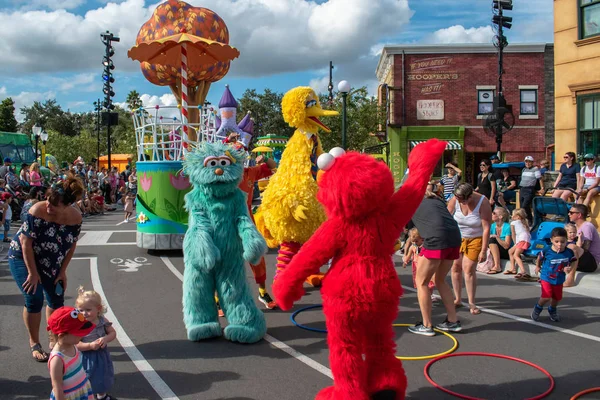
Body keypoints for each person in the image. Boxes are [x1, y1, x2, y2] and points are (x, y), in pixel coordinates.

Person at [7, 176, 84, 362]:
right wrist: (33, 274)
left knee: (56, 299)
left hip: (51, 260)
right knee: (34, 296)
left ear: (67, 205)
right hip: (23, 256)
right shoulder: (37, 210)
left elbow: (71, 245)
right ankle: (35, 343)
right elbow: (26, 243)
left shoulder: (75, 217)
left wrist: (62, 271)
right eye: (48, 200)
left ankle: (54, 339)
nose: (48, 206)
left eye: (54, 205)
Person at [405, 191, 462, 336]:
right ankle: (453, 321)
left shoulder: (412, 204)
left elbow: (406, 227)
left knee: (421, 282)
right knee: (439, 279)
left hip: (436, 239)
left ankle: (427, 325)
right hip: (454, 237)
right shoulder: (437, 202)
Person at [237, 153, 278, 309]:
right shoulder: (223, 172)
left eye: (241, 155)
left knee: (257, 256)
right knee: (223, 260)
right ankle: (217, 298)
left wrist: (264, 158)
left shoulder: (251, 172)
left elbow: (272, 166)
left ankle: (262, 292)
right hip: (226, 222)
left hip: (247, 221)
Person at [448, 183, 492, 315]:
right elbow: (446, 217)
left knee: (468, 270)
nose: (460, 201)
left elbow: (486, 228)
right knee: (455, 267)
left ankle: (472, 303)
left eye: (462, 199)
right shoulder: (455, 199)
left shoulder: (483, 202)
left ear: (470, 196)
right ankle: (458, 299)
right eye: (458, 198)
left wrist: (484, 250)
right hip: (458, 237)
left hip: (475, 238)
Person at [76, 287, 116, 400]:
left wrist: (105, 339)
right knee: (85, 377)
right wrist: (89, 346)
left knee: (103, 375)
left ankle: (102, 395)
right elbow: (75, 344)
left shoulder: (102, 321)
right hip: (85, 356)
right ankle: (87, 395)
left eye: (88, 310)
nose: (84, 313)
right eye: (80, 310)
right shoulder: (79, 325)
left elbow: (112, 333)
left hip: (101, 355)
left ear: (98, 309)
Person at [47, 306, 95, 400]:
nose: (82, 335)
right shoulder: (57, 359)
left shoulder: (73, 345)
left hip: (82, 390)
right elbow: (57, 387)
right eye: (78, 333)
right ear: (62, 336)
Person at [531, 227, 577, 322]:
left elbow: (573, 261)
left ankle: (552, 310)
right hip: (546, 277)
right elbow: (540, 257)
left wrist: (568, 268)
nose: (559, 244)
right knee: (546, 296)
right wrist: (538, 266)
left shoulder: (568, 253)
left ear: (566, 240)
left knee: (556, 298)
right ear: (551, 240)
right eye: (556, 241)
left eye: (562, 242)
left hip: (559, 278)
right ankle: (538, 308)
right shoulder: (547, 251)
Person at [568, 204, 600, 273]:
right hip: (581, 259)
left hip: (591, 263)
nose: (568, 214)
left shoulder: (587, 226)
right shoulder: (574, 226)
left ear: (579, 215)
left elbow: (586, 248)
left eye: (571, 212)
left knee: (571, 247)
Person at [507, 209, 532, 279]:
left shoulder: (513, 223)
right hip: (526, 240)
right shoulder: (524, 222)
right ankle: (513, 268)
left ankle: (523, 271)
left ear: (518, 216)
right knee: (510, 251)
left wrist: (515, 243)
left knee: (516, 255)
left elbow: (513, 234)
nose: (512, 216)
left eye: (513, 215)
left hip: (521, 240)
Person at [520, 156, 544, 224]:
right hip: (522, 188)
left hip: (529, 189)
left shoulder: (535, 169)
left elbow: (539, 179)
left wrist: (542, 188)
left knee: (525, 205)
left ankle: (530, 219)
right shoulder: (524, 169)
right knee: (522, 206)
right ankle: (524, 220)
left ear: (532, 162)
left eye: (529, 162)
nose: (527, 163)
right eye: (526, 161)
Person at [487, 207, 512, 274]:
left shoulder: (507, 227)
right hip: (495, 250)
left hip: (506, 251)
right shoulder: (492, 226)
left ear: (500, 217)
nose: (492, 214)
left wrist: (497, 237)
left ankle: (497, 266)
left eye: (494, 213)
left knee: (492, 239)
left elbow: (506, 246)